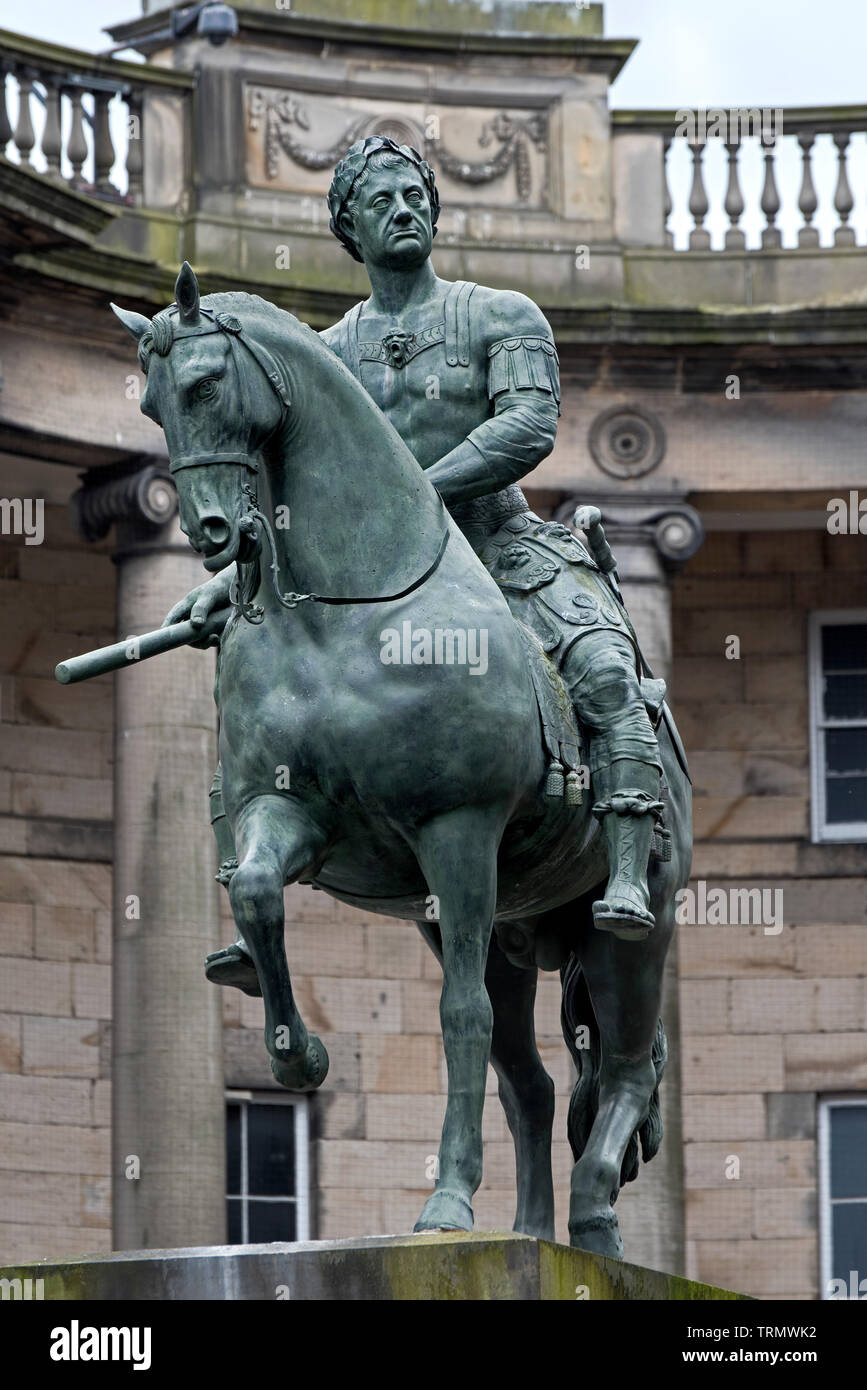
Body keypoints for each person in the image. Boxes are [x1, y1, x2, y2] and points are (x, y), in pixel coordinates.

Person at [163, 138, 664, 993]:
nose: (404, 208)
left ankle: (623, 867)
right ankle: (248, 896)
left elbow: (526, 429)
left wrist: (410, 503)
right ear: (349, 228)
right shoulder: (319, 357)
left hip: (502, 550)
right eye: (381, 200)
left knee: (605, 664)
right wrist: (226, 584)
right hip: (368, 584)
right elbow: (282, 494)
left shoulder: (503, 315)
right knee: (252, 686)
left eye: (414, 194)